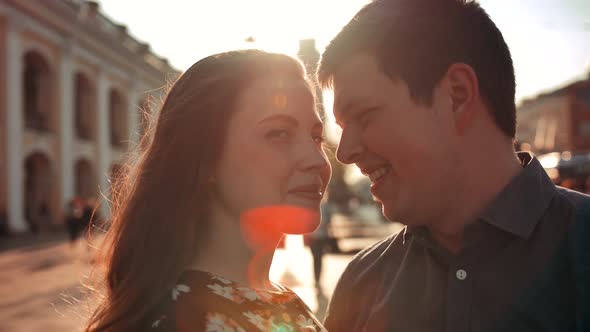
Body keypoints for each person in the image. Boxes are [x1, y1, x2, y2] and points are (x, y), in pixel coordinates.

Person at [317, 0, 590, 331]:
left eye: (364, 115)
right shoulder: (361, 283)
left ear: (457, 95)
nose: (344, 153)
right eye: (343, 127)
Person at [86, 50, 331, 331]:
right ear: (205, 158)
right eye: (279, 133)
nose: (317, 160)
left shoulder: (280, 302)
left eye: (316, 137)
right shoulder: (182, 322)